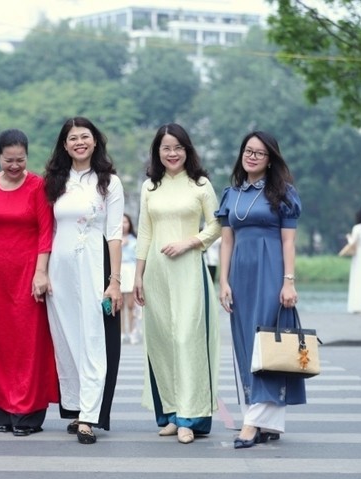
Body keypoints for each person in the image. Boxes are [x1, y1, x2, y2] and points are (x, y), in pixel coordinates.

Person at [133, 123, 221, 444]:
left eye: (178, 147)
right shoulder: (149, 188)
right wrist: (138, 276)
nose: (172, 153)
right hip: (156, 274)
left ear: (188, 150)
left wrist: (189, 242)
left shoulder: (200, 184)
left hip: (188, 270)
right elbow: (145, 232)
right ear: (158, 151)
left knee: (187, 338)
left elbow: (216, 226)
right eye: (166, 148)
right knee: (163, 341)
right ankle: (170, 413)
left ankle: (190, 417)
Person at [215, 131, 303, 449]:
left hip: (271, 272)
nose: (251, 157)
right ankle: (267, 421)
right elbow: (227, 241)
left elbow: (288, 241)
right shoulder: (232, 194)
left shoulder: (283, 193)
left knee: (265, 342)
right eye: (248, 151)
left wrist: (288, 281)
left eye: (259, 153)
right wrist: (223, 281)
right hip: (240, 273)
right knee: (243, 344)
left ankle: (252, 423)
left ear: (270, 160)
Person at [0, 129, 59, 436]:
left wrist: (41, 272)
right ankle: (1, 410)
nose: (15, 165)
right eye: (9, 160)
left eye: (20, 159)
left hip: (28, 272)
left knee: (28, 342)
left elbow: (46, 232)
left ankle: (28, 413)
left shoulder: (37, 186)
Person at [44, 116, 124, 445]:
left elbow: (115, 234)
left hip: (93, 265)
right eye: (73, 138)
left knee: (92, 338)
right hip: (59, 271)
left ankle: (90, 416)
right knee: (66, 339)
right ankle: (77, 408)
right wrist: (41, 272)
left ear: (95, 141)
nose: (79, 142)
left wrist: (115, 280)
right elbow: (46, 230)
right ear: (64, 145)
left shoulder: (109, 182)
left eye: (85, 136)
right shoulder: (53, 182)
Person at [120, 213, 140, 345]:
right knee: (120, 305)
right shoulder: (114, 240)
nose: (123, 225)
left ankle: (132, 332)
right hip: (119, 271)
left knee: (131, 304)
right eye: (121, 222)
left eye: (125, 222)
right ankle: (122, 332)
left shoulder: (134, 240)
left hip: (131, 270)